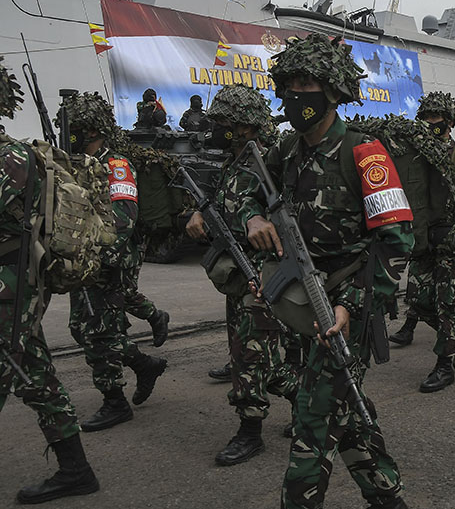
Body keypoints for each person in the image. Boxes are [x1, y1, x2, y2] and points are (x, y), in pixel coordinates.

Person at [238, 33, 411, 509]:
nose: (296, 93)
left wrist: (351, 303)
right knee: (346, 415)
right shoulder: (283, 150)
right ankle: (388, 497)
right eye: (289, 82)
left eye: (307, 82)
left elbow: (396, 241)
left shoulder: (366, 153)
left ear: (333, 90)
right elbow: (245, 189)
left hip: (345, 309)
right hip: (299, 301)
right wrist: (252, 217)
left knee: (312, 426)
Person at [0, 60, 100, 504]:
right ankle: (76, 469)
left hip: (8, 292)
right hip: (17, 293)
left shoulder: (10, 159)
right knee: (36, 375)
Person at [184, 84, 299, 465]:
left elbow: (289, 222)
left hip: (263, 275)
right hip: (238, 277)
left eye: (223, 123)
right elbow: (222, 207)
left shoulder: (269, 166)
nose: (215, 128)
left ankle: (251, 431)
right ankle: (307, 401)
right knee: (251, 354)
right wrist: (200, 215)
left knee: (253, 357)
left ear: (246, 127)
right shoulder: (234, 163)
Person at [60, 92, 168, 431]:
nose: (70, 134)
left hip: (109, 259)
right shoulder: (78, 163)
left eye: (75, 128)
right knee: (85, 328)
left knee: (96, 329)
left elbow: (124, 217)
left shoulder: (115, 165)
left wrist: (99, 256)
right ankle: (143, 364)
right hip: (87, 258)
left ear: (92, 129)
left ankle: (114, 401)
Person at [391, 91, 455, 393]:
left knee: (446, 304)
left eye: (438, 122)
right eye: (426, 120)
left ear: (450, 124)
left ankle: (444, 366)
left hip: (449, 243)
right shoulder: (414, 159)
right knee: (418, 300)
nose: (431, 127)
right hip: (421, 241)